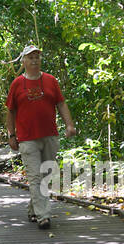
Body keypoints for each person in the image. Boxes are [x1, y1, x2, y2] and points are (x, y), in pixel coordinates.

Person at [5, 44, 76, 229]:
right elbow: (10, 111)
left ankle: (33, 209)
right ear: (24, 61)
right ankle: (43, 216)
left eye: (37, 57)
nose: (34, 60)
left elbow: (61, 104)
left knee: (45, 175)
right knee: (35, 177)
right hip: (28, 138)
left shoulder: (51, 80)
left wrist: (69, 124)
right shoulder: (17, 84)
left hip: (50, 136)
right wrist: (11, 135)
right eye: (30, 57)